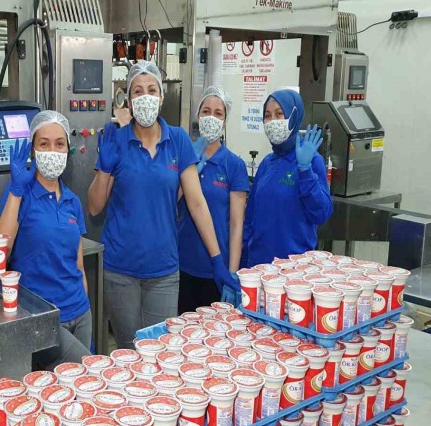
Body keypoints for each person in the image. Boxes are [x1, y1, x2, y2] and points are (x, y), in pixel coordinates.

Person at [88, 60, 239, 350]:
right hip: (121, 270)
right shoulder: (116, 141)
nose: (145, 96)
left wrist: (217, 259)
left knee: (160, 351)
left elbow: (196, 203)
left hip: (164, 271)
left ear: (161, 97)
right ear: (129, 99)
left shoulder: (178, 139)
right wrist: (104, 168)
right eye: (138, 91)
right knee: (129, 351)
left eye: (152, 90)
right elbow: (94, 207)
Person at [0, 110, 92, 368]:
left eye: (59, 144)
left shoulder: (72, 200)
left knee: (77, 388)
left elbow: (78, 265)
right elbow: (1, 253)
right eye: (44, 144)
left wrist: (85, 304)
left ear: (68, 149)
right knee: (85, 372)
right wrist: (16, 191)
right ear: (33, 150)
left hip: (80, 313)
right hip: (42, 316)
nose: (52, 150)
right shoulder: (20, 194)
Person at [177, 87, 249, 313]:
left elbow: (236, 225)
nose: (211, 118)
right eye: (206, 111)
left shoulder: (234, 165)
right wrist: (188, 168)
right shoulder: (183, 155)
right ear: (198, 117)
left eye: (218, 113)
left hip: (217, 271)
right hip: (182, 266)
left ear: (225, 121)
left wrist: (232, 271)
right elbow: (170, 204)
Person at [242, 88, 333, 267]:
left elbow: (321, 214)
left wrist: (305, 170)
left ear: (294, 117)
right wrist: (243, 263)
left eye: (279, 114)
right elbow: (250, 218)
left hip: (294, 269)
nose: (272, 121)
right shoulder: (267, 163)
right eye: (267, 115)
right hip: (259, 266)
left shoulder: (311, 160)